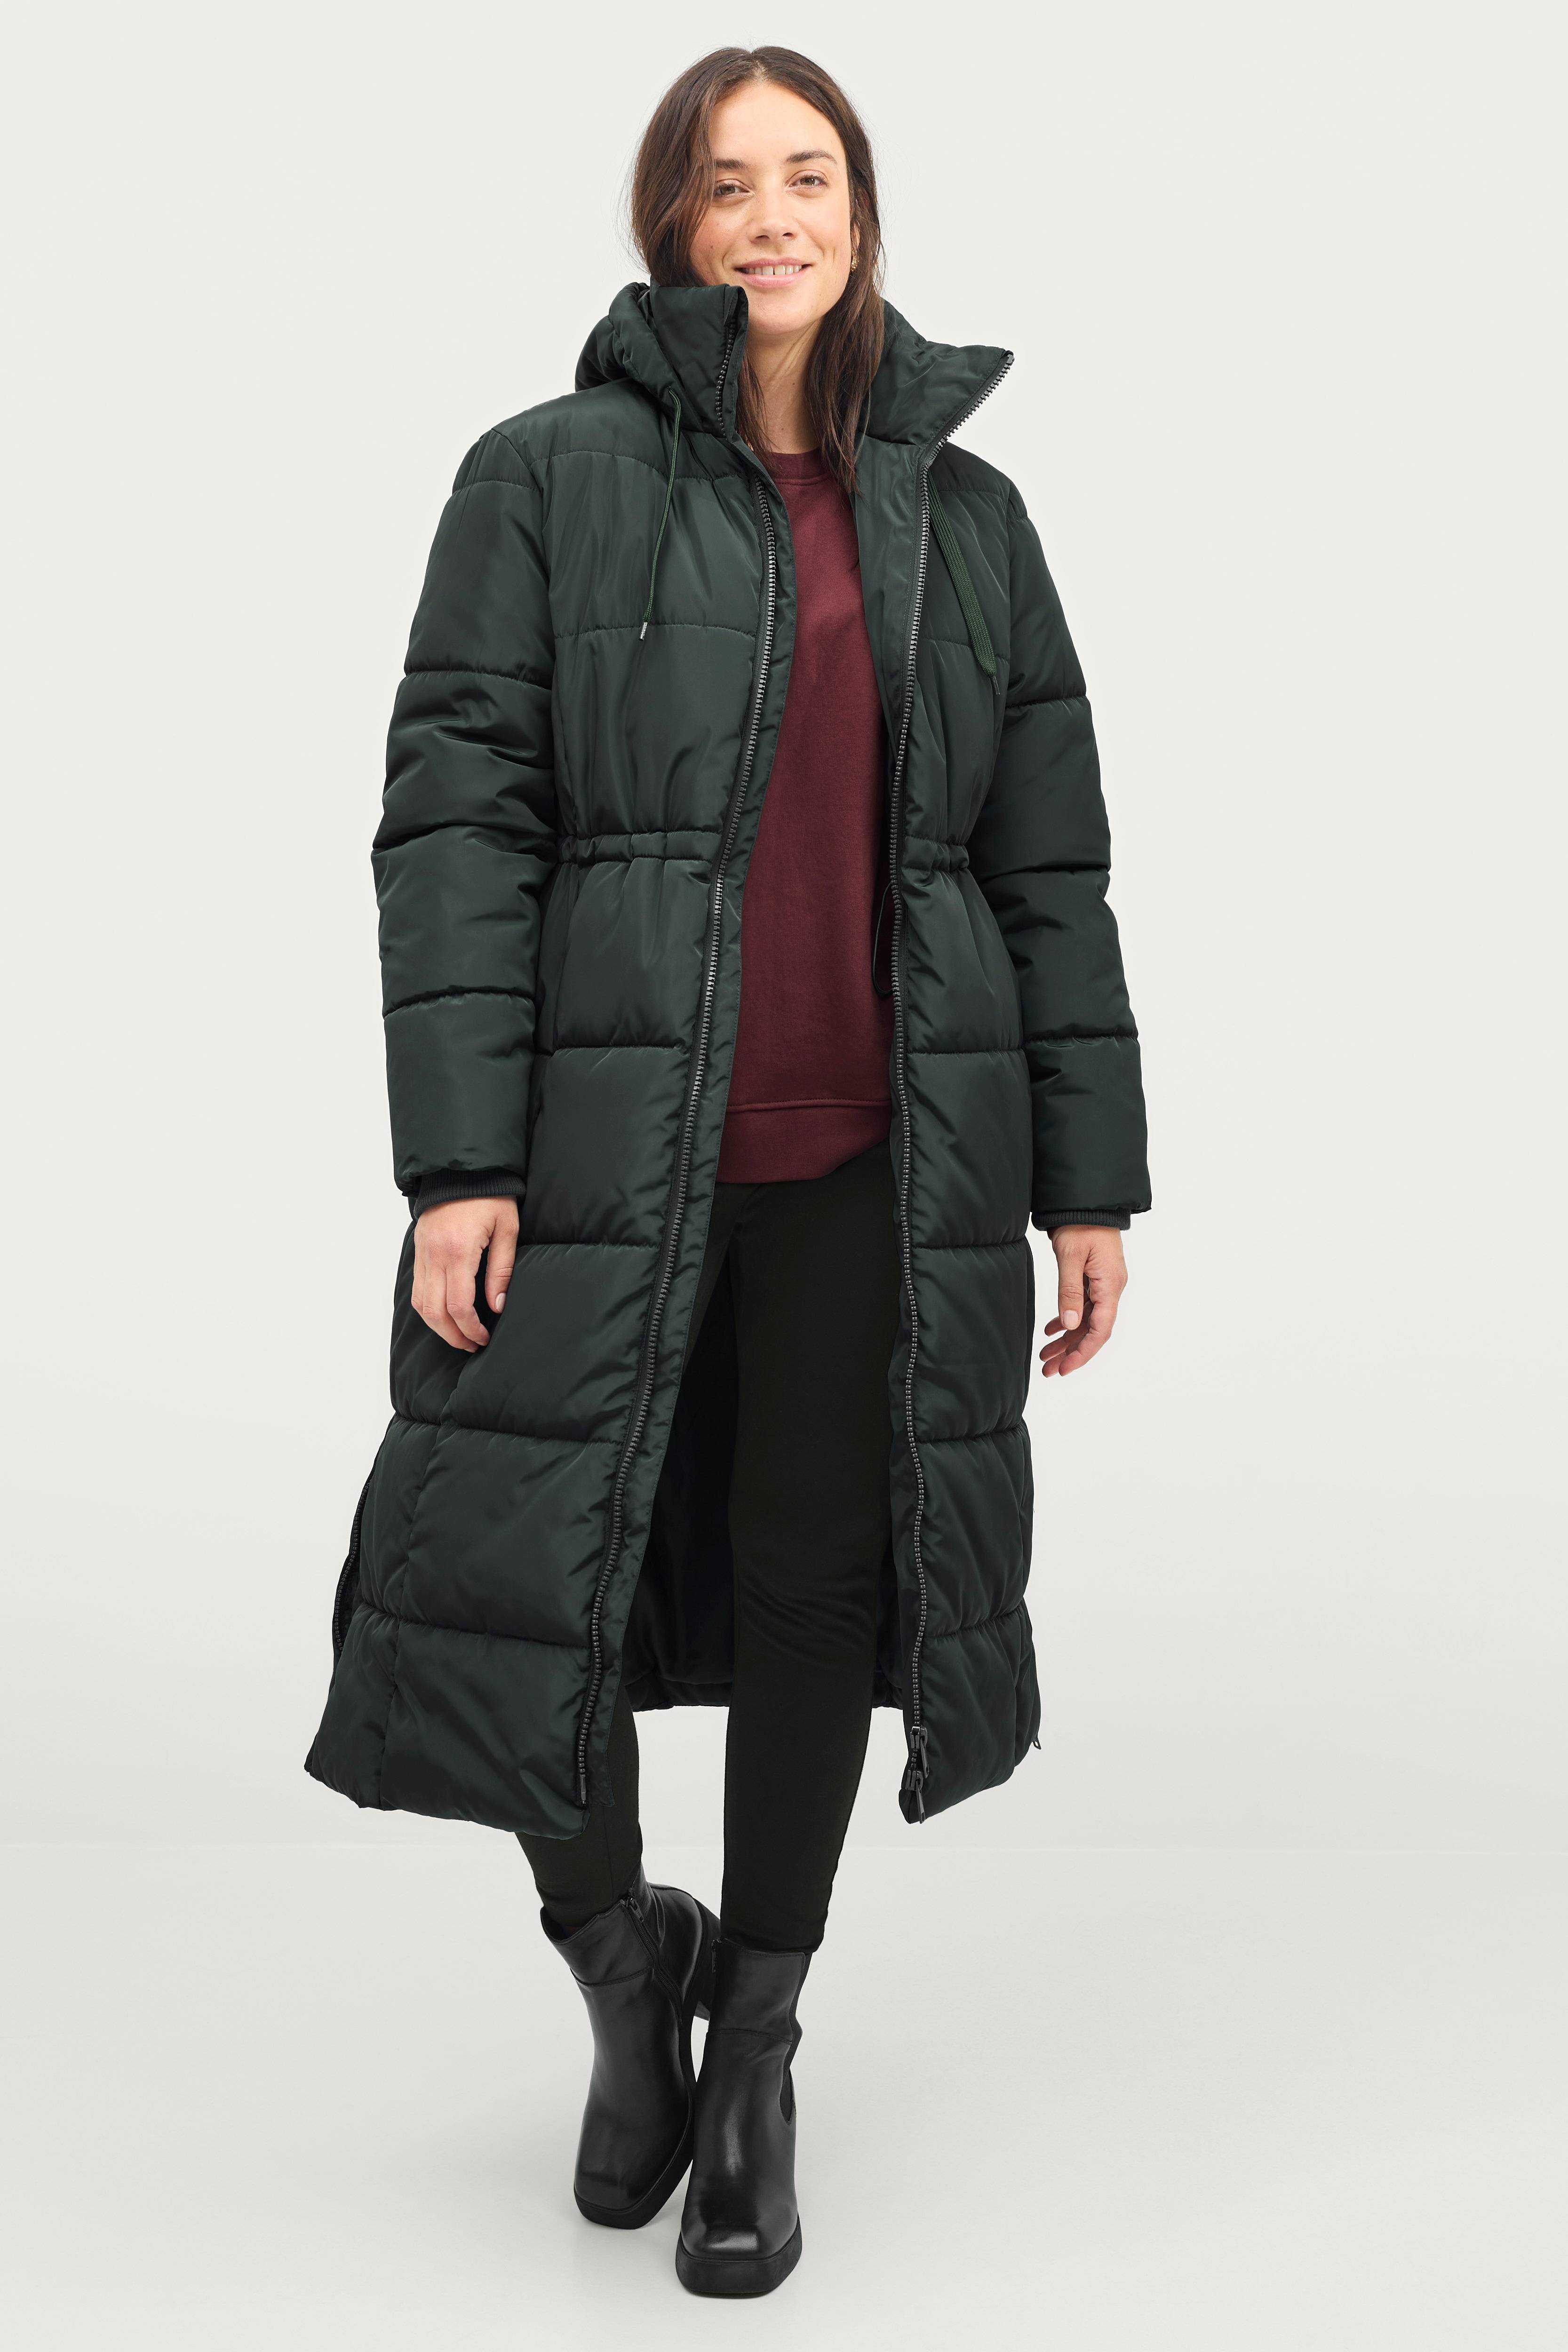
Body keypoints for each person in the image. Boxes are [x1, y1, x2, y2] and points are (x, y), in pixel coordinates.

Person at [306, 43, 1149, 2299]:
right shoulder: (545, 478)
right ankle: (624, 1966)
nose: (774, 215)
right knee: (526, 1573)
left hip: (883, 1147)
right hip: (600, 1152)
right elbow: (455, 827)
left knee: (810, 1590)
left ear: (861, 209)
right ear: (671, 218)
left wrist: (1090, 1179)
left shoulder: (966, 513)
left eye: (811, 175)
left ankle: (756, 2036)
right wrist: (458, 1157)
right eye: (729, 181)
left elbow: (1046, 867)